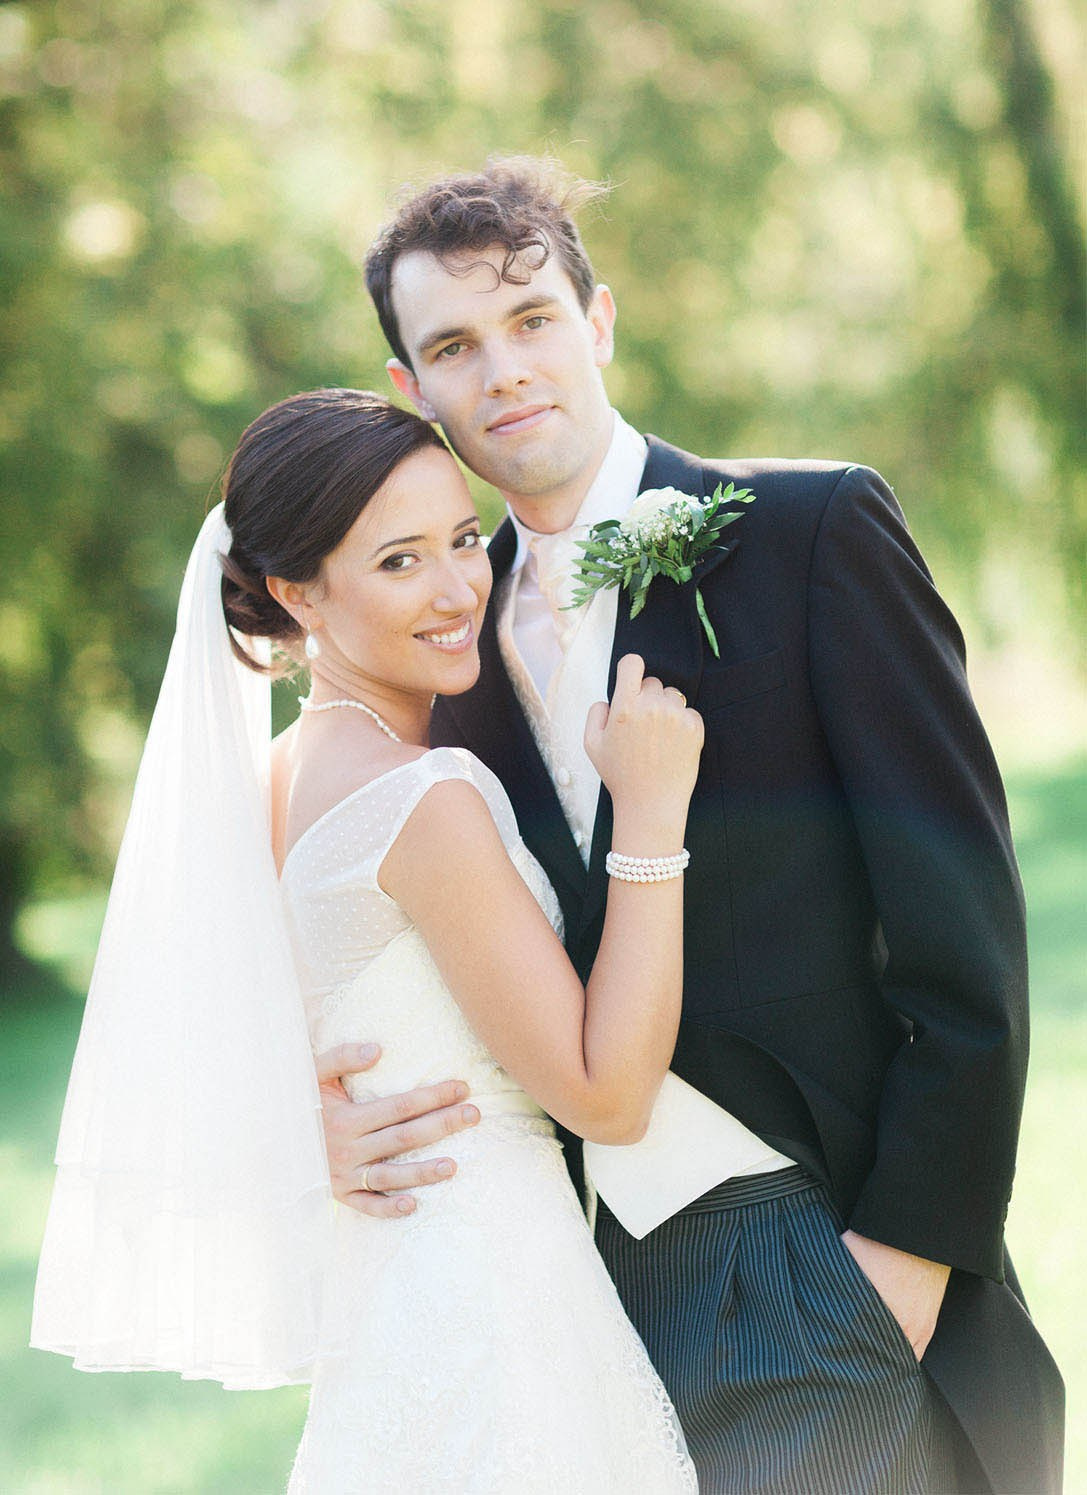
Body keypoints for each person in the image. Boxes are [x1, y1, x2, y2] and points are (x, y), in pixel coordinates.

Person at [313, 158, 1066, 1494]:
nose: (502, 372)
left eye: (531, 318)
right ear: (405, 389)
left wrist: (894, 1270)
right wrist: (312, 1119)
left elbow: (966, 941)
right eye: (452, 346)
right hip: (589, 1315)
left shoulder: (807, 531)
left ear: (596, 320)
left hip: (841, 1261)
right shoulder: (438, 653)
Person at [32, 387, 700, 1492]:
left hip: (395, 1321)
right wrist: (654, 814)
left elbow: (192, 1052)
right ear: (297, 592)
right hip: (498, 1321)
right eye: (399, 563)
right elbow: (605, 1093)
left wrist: (294, 1133)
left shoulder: (269, 786)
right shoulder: (421, 798)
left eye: (457, 540)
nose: (457, 589)